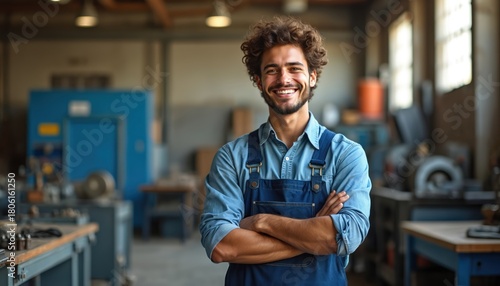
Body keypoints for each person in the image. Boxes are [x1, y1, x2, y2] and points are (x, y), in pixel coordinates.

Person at [199, 15, 371, 286]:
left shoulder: (345, 155)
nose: (283, 79)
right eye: (271, 70)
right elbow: (222, 246)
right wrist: (315, 231)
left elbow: (346, 236)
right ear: (258, 80)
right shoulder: (233, 157)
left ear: (312, 77)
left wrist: (260, 222)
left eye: (294, 68)